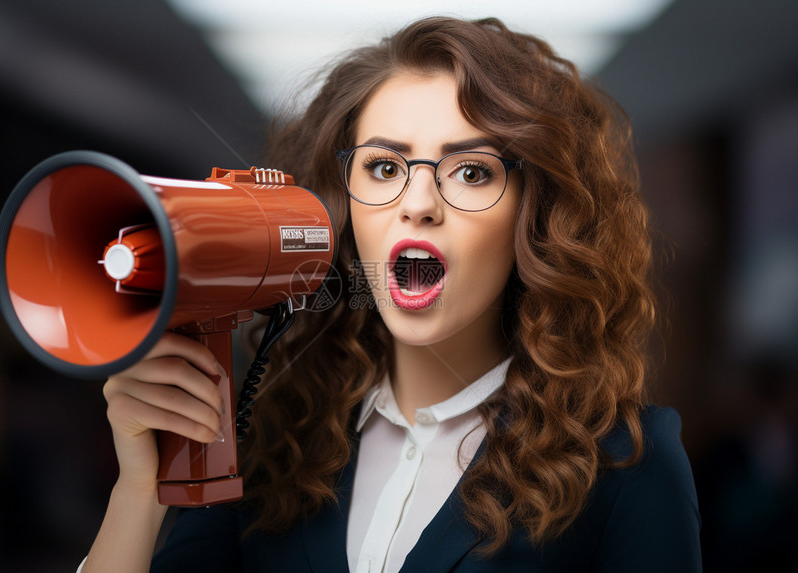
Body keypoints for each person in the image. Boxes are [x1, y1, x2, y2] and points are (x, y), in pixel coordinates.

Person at [80, 16, 702, 572]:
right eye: (384, 167)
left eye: (471, 171)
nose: (419, 204)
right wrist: (139, 489)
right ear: (343, 206)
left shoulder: (626, 466)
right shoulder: (270, 443)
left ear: (533, 217)